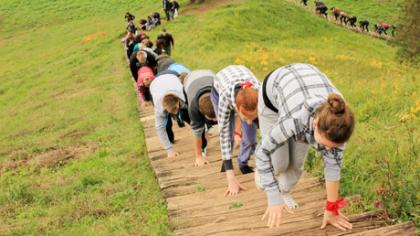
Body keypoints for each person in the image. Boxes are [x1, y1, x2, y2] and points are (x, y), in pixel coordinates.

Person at [254, 63, 355, 230]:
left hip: (305, 84)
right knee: (278, 163)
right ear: (315, 124)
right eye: (324, 145)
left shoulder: (339, 121)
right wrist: (273, 198)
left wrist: (332, 210)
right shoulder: (292, 121)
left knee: (297, 162)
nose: (328, 151)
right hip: (271, 98)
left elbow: (333, 167)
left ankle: (284, 191)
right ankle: (262, 176)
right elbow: (262, 152)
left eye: (332, 147)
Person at [211, 65, 260, 197]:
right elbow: (224, 134)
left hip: (244, 83)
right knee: (230, 137)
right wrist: (231, 179)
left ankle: (242, 162)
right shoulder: (225, 99)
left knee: (251, 137)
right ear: (237, 110)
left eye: (253, 117)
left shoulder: (260, 93)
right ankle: (226, 162)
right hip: (218, 89)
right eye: (245, 118)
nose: (249, 122)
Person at [150, 73, 193, 158]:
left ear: (177, 101)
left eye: (176, 108)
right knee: (166, 124)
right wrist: (169, 150)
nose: (175, 112)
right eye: (172, 111)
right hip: (155, 84)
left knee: (186, 114)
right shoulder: (159, 107)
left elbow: (196, 113)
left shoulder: (184, 96)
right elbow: (159, 128)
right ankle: (170, 140)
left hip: (172, 78)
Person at [183, 70, 218, 166]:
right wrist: (198, 156)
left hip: (210, 74)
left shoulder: (221, 94)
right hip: (189, 80)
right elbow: (197, 132)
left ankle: (208, 127)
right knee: (198, 126)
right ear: (201, 113)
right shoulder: (193, 108)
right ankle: (203, 148)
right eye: (211, 119)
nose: (215, 121)